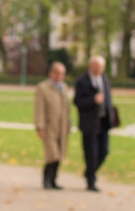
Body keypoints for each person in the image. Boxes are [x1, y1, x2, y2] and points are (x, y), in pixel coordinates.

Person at [74, 55, 114, 192]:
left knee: (104, 151)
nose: (98, 70)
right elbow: (77, 102)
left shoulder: (105, 79)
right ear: (90, 67)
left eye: (101, 68)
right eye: (96, 68)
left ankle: (89, 172)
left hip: (103, 122)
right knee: (91, 153)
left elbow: (108, 101)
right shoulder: (82, 81)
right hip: (89, 123)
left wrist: (111, 117)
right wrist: (93, 100)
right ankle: (91, 181)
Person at [34, 61, 71, 190]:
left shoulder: (64, 87)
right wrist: (40, 126)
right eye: (57, 73)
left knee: (60, 155)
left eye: (62, 73)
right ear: (51, 73)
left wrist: (68, 124)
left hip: (62, 126)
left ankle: (54, 180)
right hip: (49, 126)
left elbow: (67, 108)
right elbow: (39, 108)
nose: (59, 76)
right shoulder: (42, 88)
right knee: (52, 154)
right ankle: (46, 180)